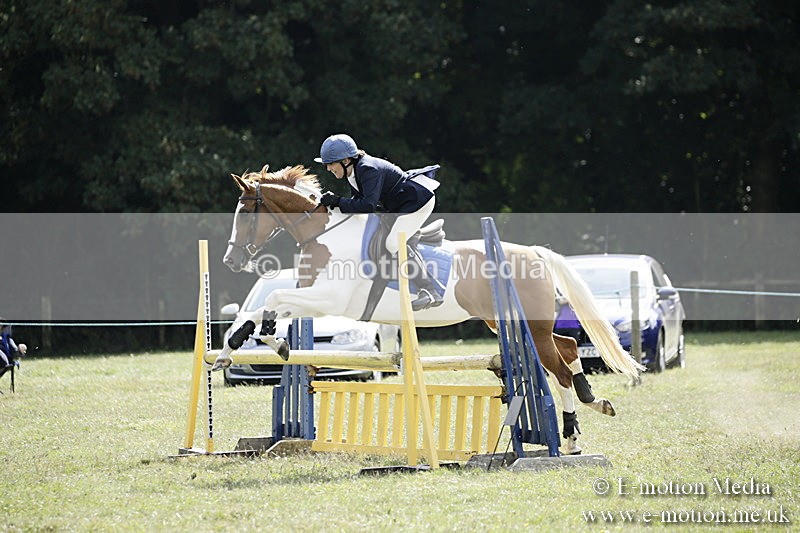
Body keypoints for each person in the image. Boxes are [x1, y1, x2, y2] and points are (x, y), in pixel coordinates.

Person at [315, 133, 444, 311]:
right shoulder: (353, 172)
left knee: (392, 243)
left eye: (330, 163)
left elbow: (367, 205)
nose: (328, 168)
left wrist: (337, 201)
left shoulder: (368, 169)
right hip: (398, 207)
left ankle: (429, 291)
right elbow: (356, 204)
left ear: (345, 161)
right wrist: (334, 207)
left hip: (416, 201)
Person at [0, 318, 26, 391]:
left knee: (5, 363)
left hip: (4, 363)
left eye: (1, 325)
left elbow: (15, 351)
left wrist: (20, 350)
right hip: (3, 362)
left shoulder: (6, 338)